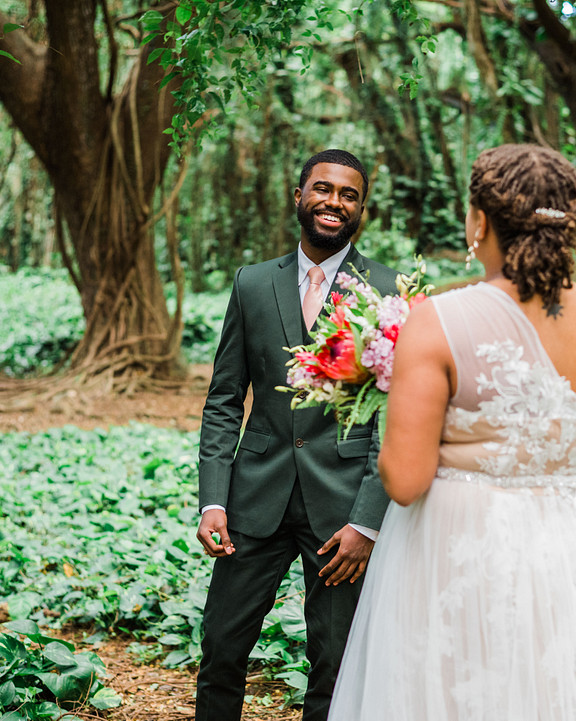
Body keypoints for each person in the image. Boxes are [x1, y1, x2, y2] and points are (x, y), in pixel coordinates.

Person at [327, 144, 576, 720]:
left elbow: (404, 481)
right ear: (571, 228)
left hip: (458, 553)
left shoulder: (438, 320)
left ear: (480, 222)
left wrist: (391, 392)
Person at [193, 149, 401, 721]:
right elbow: (224, 400)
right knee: (220, 652)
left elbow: (398, 419)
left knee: (334, 664)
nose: (335, 202)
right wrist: (213, 498)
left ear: (361, 207)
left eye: (349, 194)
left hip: (341, 512)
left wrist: (367, 521)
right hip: (251, 502)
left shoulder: (387, 290)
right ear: (299, 195)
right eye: (323, 189)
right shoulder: (253, 283)